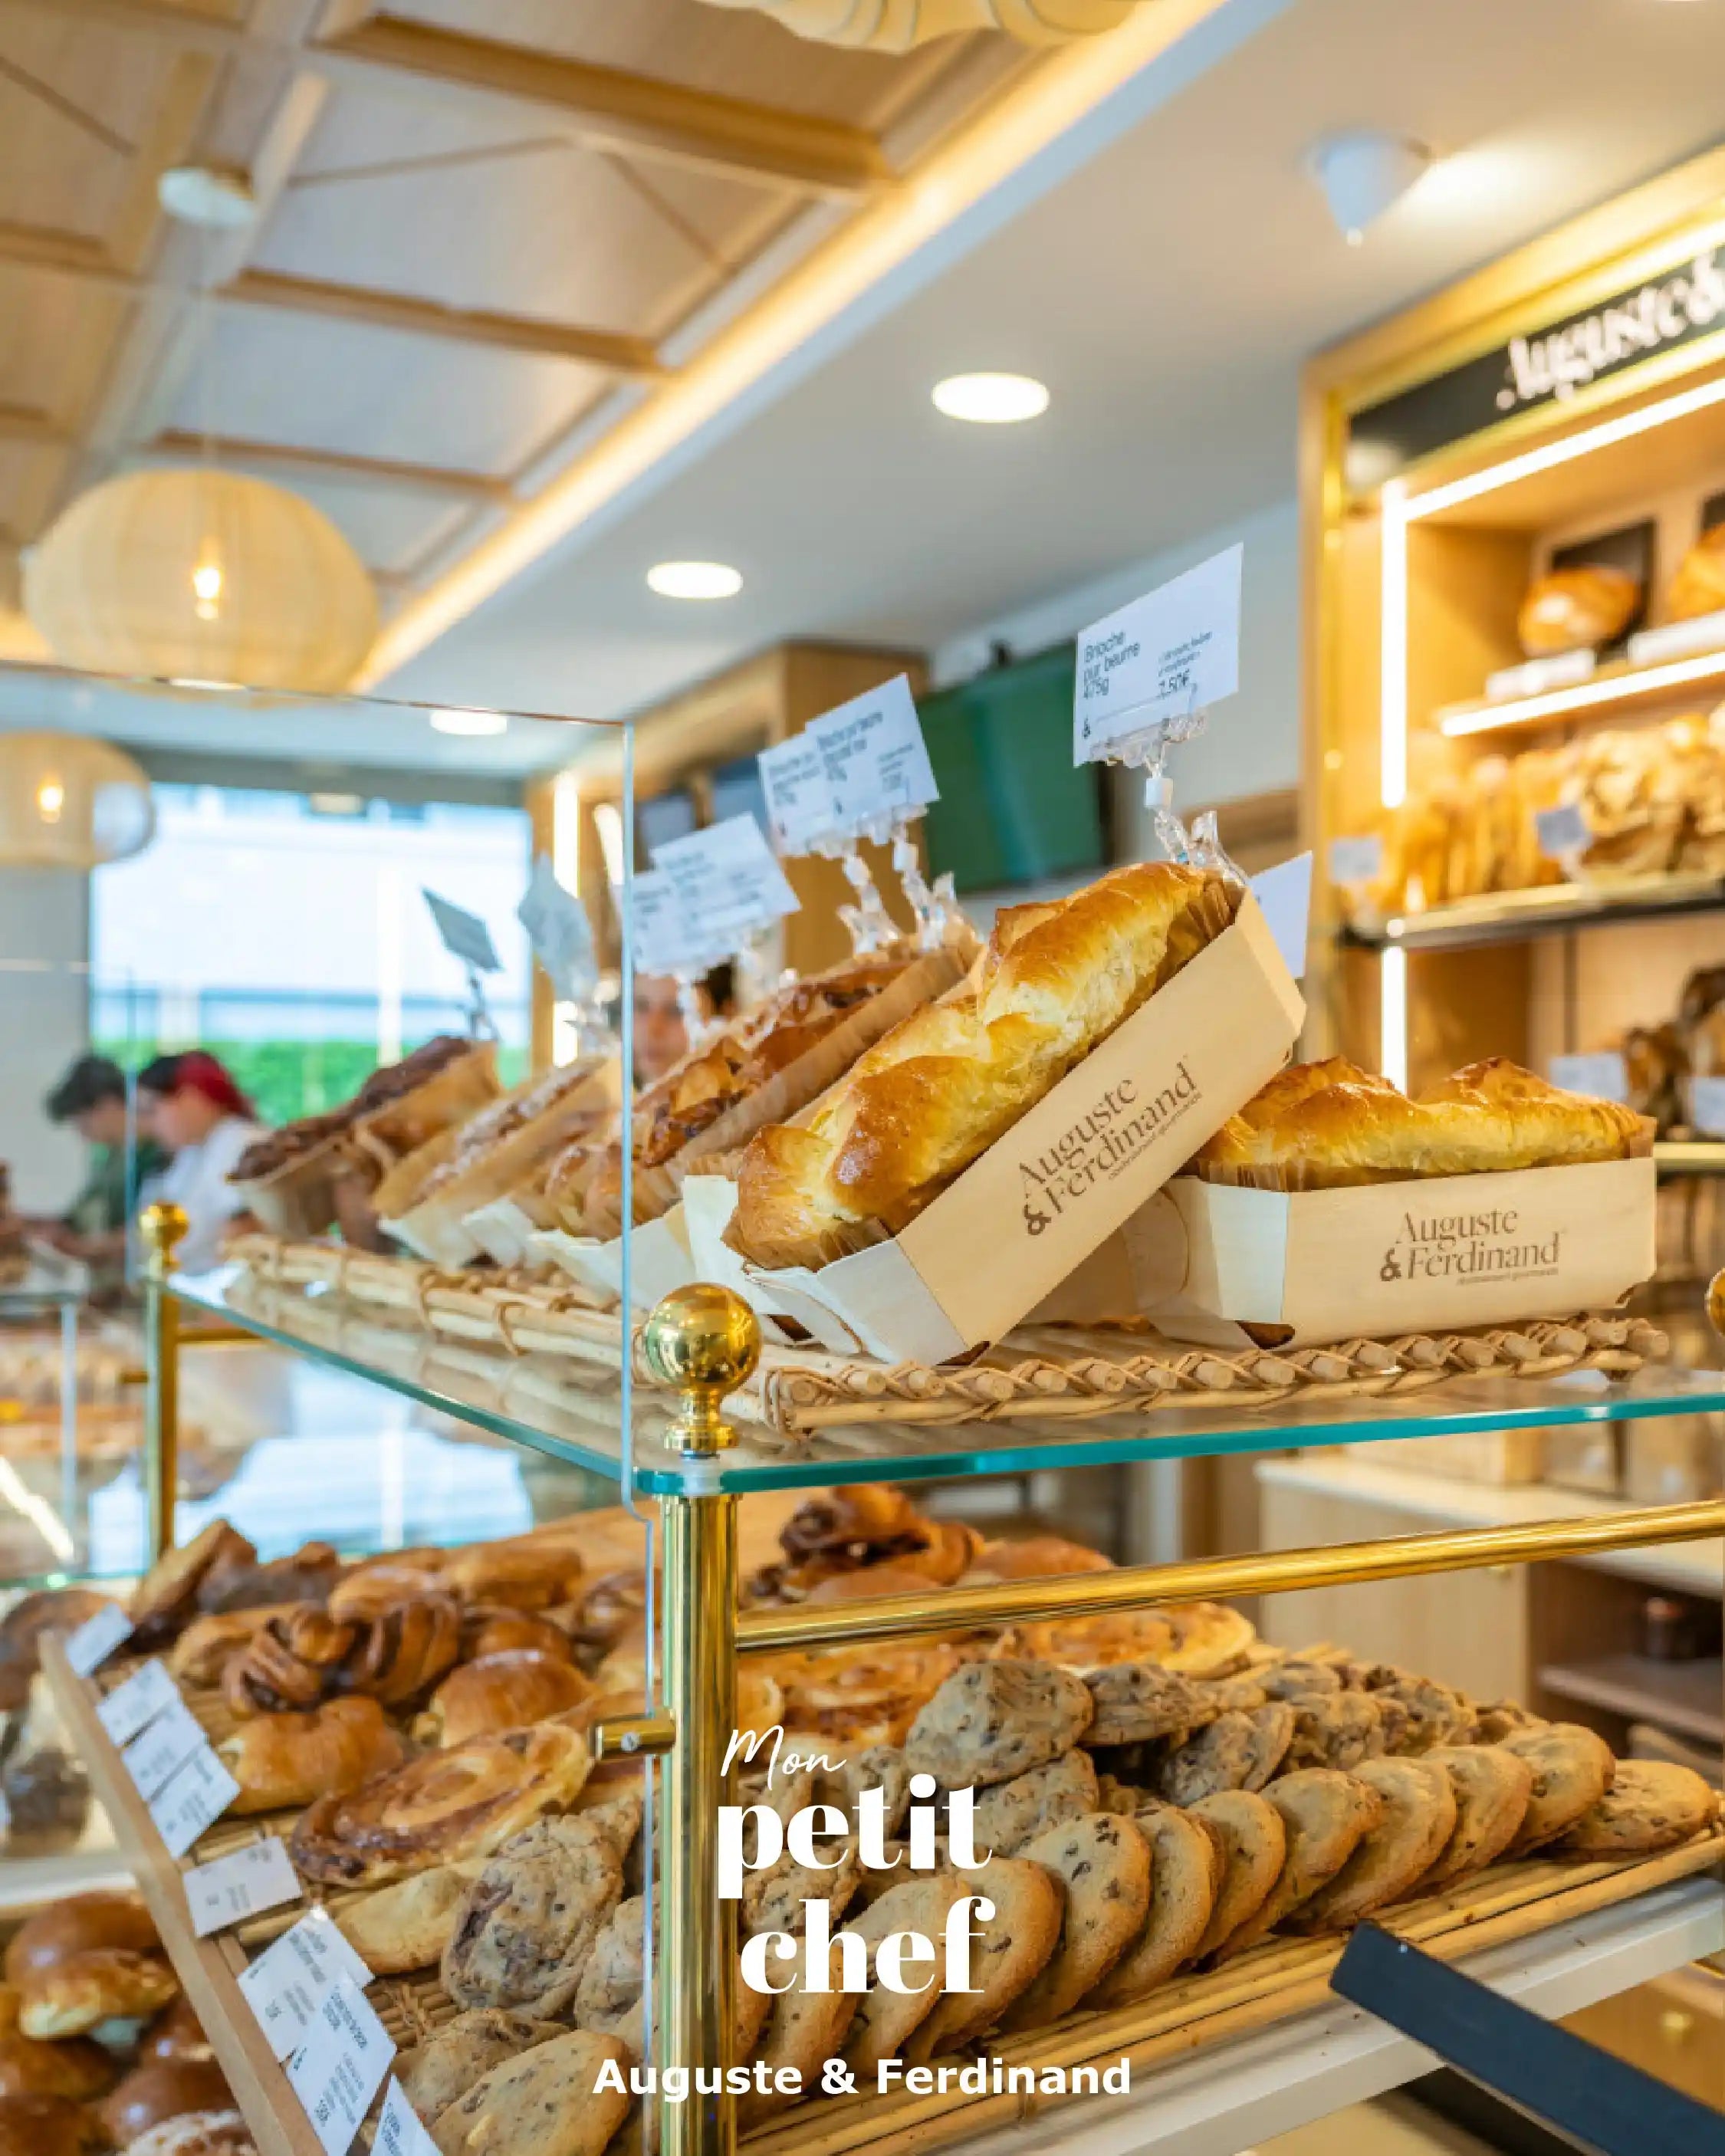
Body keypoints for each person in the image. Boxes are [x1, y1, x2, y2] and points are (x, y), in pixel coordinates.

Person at [135, 1052, 268, 1273]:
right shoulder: (193, 1151)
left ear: (191, 1097)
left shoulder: (239, 1143)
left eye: (153, 1110)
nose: (150, 1125)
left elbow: (241, 1244)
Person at [38, 1055, 166, 1270]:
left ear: (108, 1104)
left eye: (84, 1123)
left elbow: (152, 1231)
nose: (83, 1134)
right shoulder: (113, 1157)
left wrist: (88, 1248)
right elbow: (78, 1217)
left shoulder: (156, 1153)